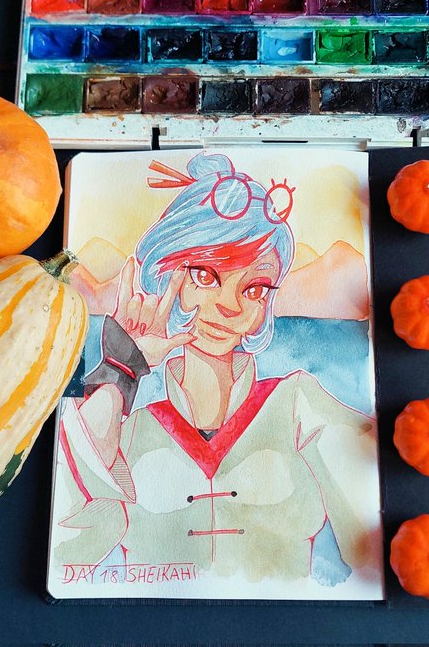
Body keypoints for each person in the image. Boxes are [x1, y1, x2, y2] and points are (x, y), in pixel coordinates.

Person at [57, 152, 376, 587]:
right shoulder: (126, 428)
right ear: (164, 277)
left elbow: (369, 540)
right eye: (206, 276)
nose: (230, 306)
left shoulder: (299, 403)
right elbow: (68, 552)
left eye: (255, 288)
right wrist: (123, 370)